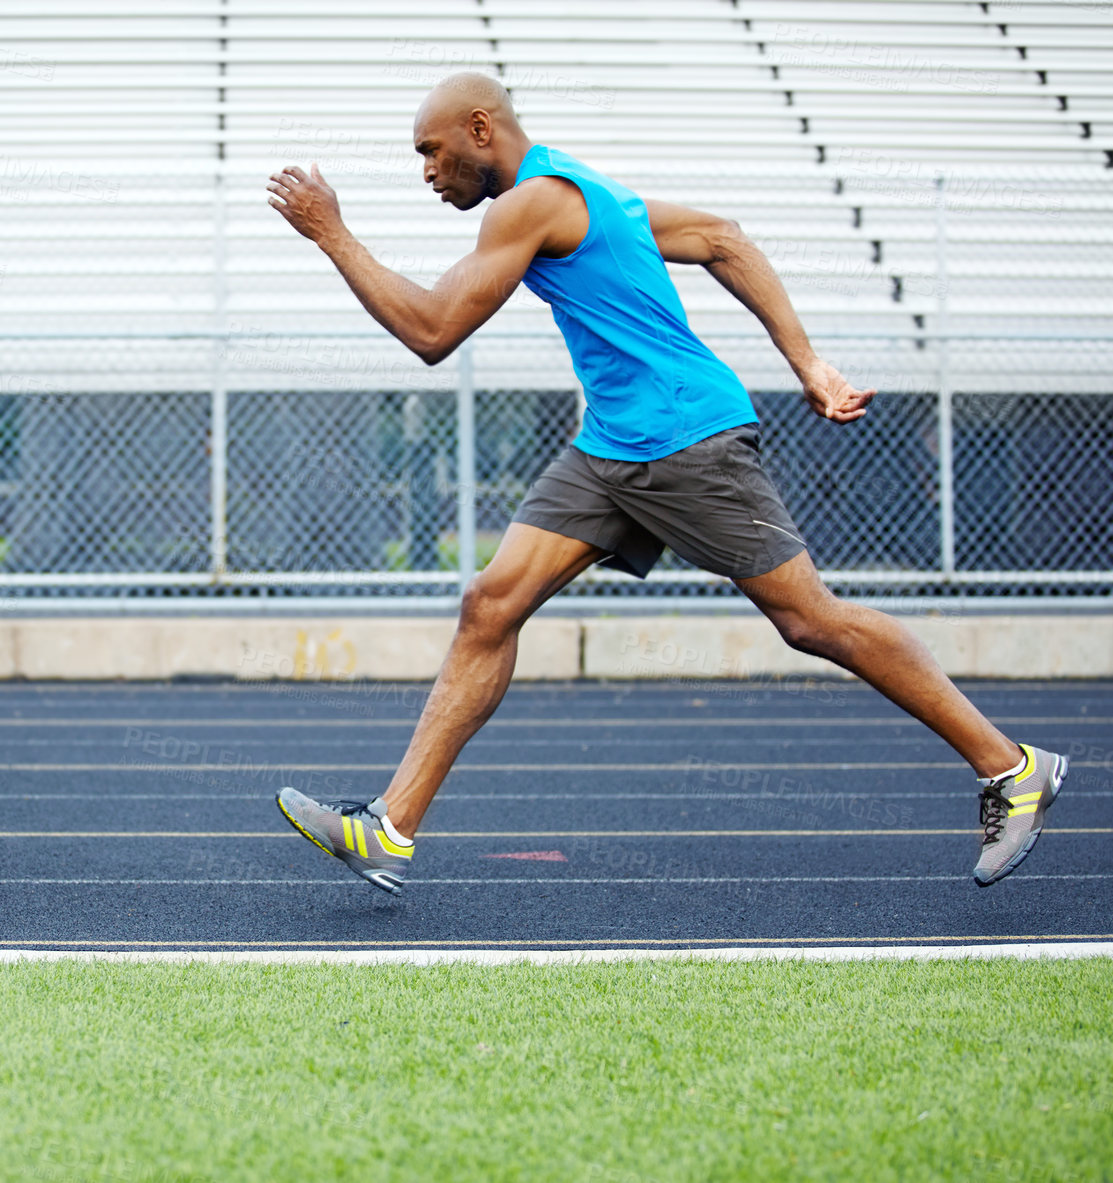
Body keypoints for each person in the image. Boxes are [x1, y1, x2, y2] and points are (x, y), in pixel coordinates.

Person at [267, 73, 1066, 896]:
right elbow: (721, 236)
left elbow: (432, 330)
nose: (427, 172)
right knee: (491, 604)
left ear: (479, 129)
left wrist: (332, 234)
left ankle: (1011, 767)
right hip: (611, 444)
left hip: (684, 437)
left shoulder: (531, 201)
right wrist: (806, 362)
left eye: (431, 152)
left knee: (808, 619)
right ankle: (389, 829)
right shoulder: (592, 193)